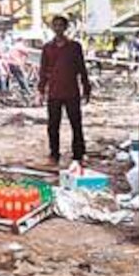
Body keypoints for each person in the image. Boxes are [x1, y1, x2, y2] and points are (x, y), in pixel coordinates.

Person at [38, 15, 92, 165]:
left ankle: (78, 154)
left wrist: (86, 89)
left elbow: (82, 68)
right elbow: (43, 70)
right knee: (53, 125)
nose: (58, 28)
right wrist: (41, 90)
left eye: (61, 25)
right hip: (54, 92)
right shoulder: (48, 48)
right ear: (52, 28)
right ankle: (54, 153)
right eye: (55, 25)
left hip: (71, 92)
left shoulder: (74, 47)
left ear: (65, 27)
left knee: (76, 124)